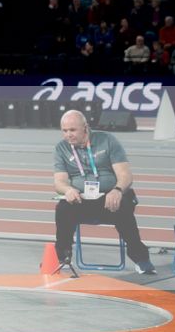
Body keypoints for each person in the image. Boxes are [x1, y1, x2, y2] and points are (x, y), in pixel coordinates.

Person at [50, 110, 155, 275]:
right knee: (63, 209)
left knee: (124, 206)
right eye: (65, 131)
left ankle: (141, 258)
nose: (68, 135)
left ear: (85, 127)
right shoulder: (61, 148)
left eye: (72, 130)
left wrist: (117, 190)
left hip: (109, 197)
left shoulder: (107, 140)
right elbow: (59, 181)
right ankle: (63, 257)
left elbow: (125, 175)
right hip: (82, 199)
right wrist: (68, 189)